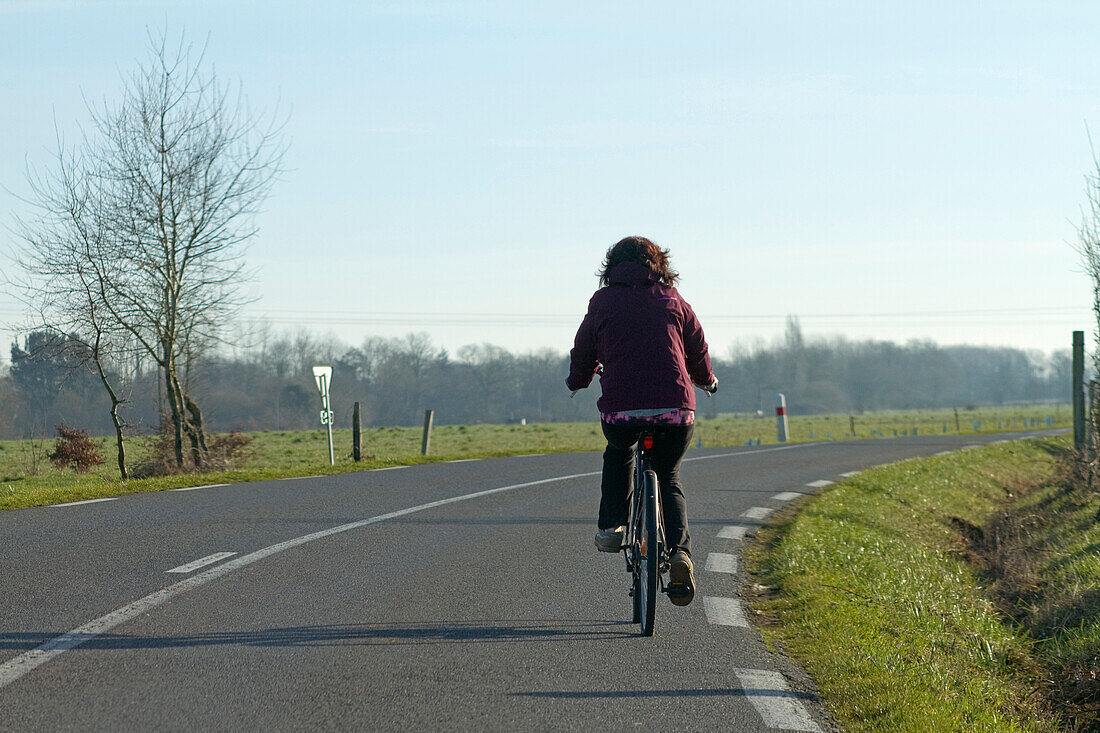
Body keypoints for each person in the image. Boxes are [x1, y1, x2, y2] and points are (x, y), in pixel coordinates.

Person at [566, 235, 718, 607]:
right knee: (667, 475)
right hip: (675, 410)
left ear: (611, 267)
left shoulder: (602, 302)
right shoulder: (673, 299)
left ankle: (612, 527)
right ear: (660, 265)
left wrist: (577, 381)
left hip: (622, 411)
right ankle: (680, 553)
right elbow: (697, 348)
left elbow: (583, 349)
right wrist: (707, 380)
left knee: (619, 451)